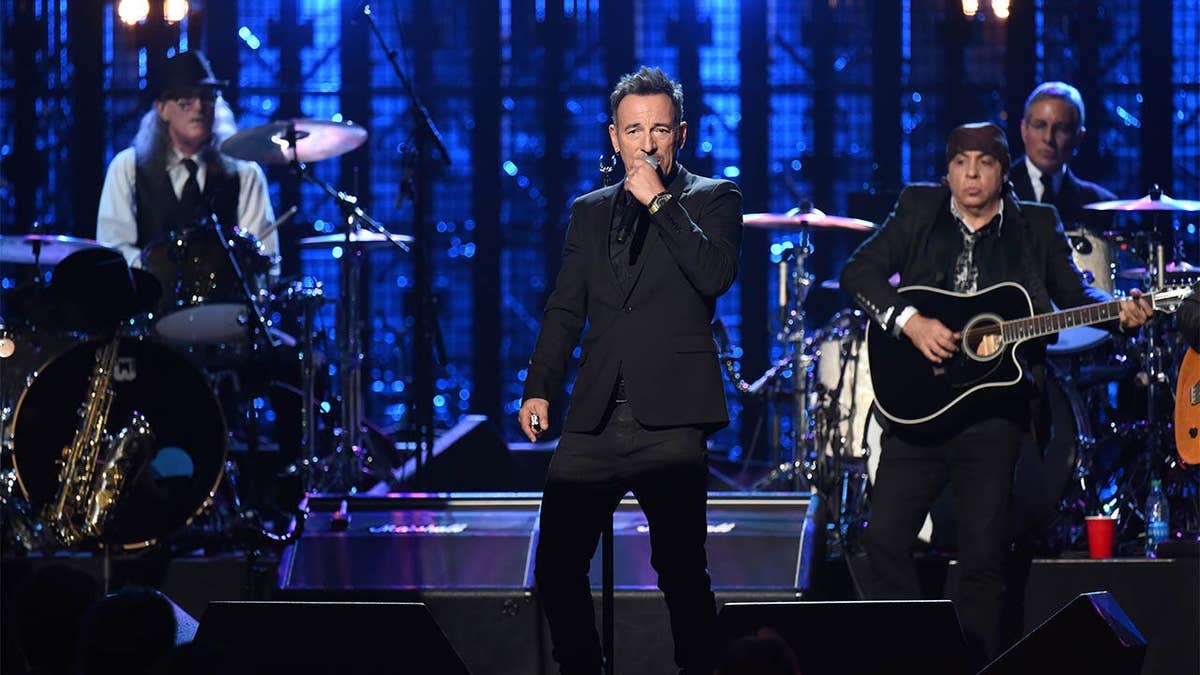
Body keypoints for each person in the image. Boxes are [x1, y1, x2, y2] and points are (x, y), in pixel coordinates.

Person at [839, 122, 1151, 667]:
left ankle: (973, 664)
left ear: (1004, 172)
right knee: (884, 542)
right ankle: (916, 658)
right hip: (917, 406)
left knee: (983, 560)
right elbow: (857, 272)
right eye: (961, 163)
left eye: (984, 163)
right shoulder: (919, 208)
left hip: (994, 416)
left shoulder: (1035, 223)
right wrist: (910, 322)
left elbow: (1075, 297)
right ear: (947, 170)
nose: (972, 174)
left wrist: (1121, 314)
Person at [517, 66, 742, 675]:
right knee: (556, 567)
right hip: (594, 415)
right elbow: (566, 307)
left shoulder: (714, 199)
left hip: (671, 419)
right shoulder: (587, 212)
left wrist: (661, 202)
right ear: (613, 138)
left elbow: (714, 275)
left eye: (660, 129)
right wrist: (539, 387)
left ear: (681, 135)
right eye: (634, 129)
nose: (647, 142)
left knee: (680, 572)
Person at [96, 49, 278, 270]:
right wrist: (159, 270)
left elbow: (265, 257)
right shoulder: (127, 168)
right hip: (150, 300)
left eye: (207, 97)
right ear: (162, 109)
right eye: (186, 100)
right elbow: (113, 248)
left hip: (227, 302)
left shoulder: (245, 173)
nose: (199, 107)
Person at [1009, 81, 1116, 228]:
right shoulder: (995, 191)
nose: (1048, 138)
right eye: (1040, 126)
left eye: (1062, 129)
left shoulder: (1102, 204)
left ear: (1079, 137)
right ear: (1024, 130)